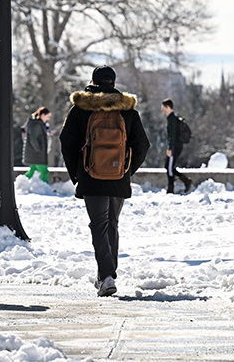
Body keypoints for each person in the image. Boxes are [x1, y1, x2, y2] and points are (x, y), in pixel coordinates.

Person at [60, 65, 150, 297]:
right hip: (119, 178)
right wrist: (127, 171)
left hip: (91, 178)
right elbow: (143, 146)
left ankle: (106, 275)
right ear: (114, 83)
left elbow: (67, 143)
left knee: (98, 226)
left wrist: (77, 174)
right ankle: (107, 274)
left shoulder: (81, 110)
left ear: (93, 81)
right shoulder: (128, 112)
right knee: (112, 224)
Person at [162, 99, 193, 194]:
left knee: (169, 167)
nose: (162, 109)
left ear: (167, 107)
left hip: (175, 147)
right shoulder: (172, 118)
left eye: (163, 107)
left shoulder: (172, 119)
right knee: (168, 166)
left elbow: (172, 135)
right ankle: (186, 181)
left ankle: (171, 188)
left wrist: (170, 149)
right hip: (176, 146)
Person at [23, 107, 51, 182]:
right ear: (43, 115)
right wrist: (39, 150)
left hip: (34, 153)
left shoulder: (37, 124)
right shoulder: (36, 125)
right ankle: (46, 187)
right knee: (44, 172)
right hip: (37, 154)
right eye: (47, 116)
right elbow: (33, 139)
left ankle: (21, 183)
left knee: (32, 171)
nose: (48, 118)